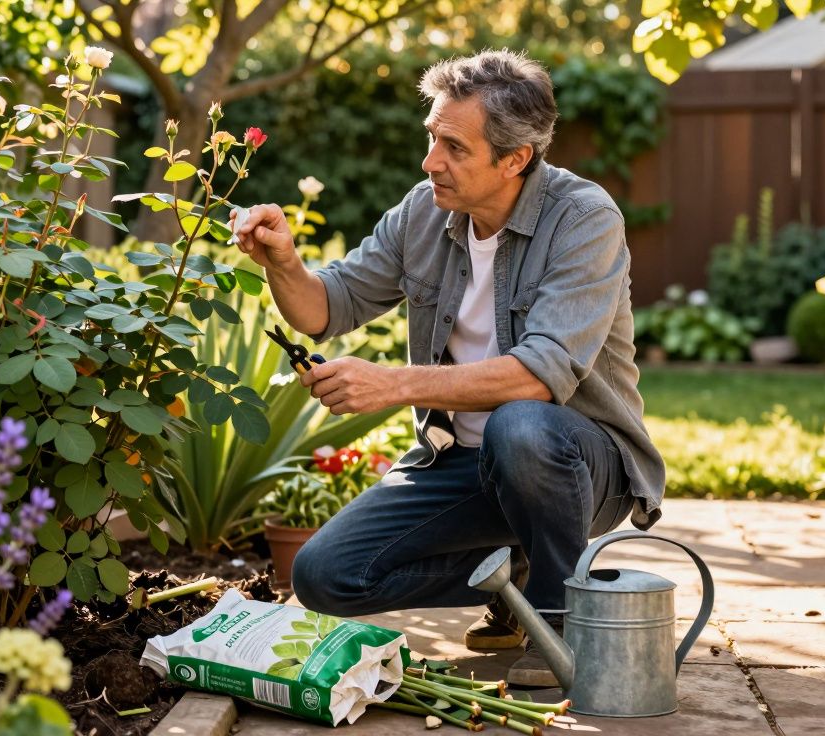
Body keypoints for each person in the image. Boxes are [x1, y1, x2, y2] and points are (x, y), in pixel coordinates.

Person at [228, 49, 665, 687]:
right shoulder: (424, 211)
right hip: (460, 463)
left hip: (577, 466)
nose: (430, 160)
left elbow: (540, 376)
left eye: (454, 147)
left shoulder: (584, 218)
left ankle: (559, 617)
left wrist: (393, 383)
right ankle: (514, 577)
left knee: (521, 425)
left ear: (516, 158)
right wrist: (284, 264)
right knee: (324, 576)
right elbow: (328, 308)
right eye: (432, 137)